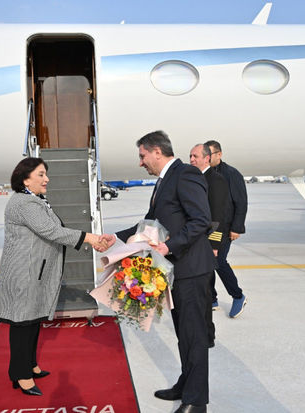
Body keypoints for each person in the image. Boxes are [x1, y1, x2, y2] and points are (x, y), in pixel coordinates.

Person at [103, 131, 213, 413]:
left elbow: (201, 220)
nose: (141, 163)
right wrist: (113, 238)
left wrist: (168, 246)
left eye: (142, 156)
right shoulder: (165, 180)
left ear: (156, 151)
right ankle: (186, 385)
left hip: (191, 270)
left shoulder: (185, 174)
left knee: (194, 336)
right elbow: (149, 223)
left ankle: (196, 402)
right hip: (177, 271)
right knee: (184, 334)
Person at [0, 157, 106, 397]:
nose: (47, 179)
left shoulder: (35, 200)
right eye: (41, 174)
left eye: (46, 174)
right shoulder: (24, 203)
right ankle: (20, 374)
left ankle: (30, 365)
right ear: (25, 179)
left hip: (33, 272)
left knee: (32, 321)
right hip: (23, 274)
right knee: (22, 324)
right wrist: (89, 238)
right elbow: (51, 231)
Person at [189, 143, 229, 349]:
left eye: (195, 156)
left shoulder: (216, 180)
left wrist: (214, 245)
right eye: (190, 156)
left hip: (207, 243)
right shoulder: (195, 177)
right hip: (196, 242)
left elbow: (218, 215)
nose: (191, 160)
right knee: (201, 291)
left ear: (207, 158)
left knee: (205, 292)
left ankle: (207, 336)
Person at [205, 139, 248, 318]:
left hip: (225, 227)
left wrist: (237, 228)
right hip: (207, 227)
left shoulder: (231, 174)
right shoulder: (204, 173)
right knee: (207, 262)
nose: (207, 158)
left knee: (219, 262)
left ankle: (238, 295)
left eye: (210, 154)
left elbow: (241, 202)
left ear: (219, 154)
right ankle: (212, 299)